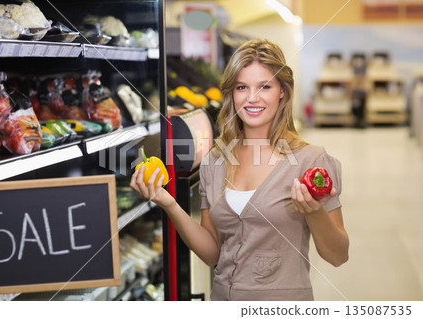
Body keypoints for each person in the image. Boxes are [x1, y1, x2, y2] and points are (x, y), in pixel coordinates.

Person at [130, 39, 349, 301]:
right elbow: (213, 253)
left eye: (265, 86)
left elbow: (337, 255)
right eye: (242, 87)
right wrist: (169, 204)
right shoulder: (215, 161)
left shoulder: (311, 161)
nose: (252, 98)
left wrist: (315, 213)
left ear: (282, 91)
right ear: (231, 94)